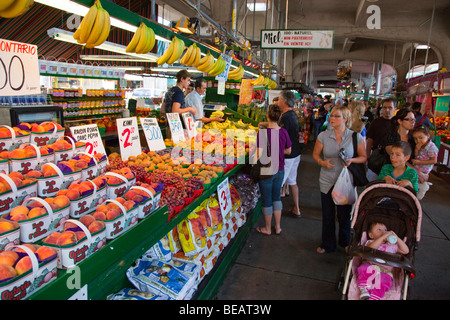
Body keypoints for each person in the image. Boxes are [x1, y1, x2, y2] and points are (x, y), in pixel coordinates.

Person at [312, 106, 367, 253]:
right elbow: (316, 154)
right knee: (328, 214)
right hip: (327, 180)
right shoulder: (323, 136)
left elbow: (363, 157)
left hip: (345, 181)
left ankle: (345, 242)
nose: (332, 118)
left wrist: (352, 160)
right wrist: (322, 162)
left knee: (344, 215)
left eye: (336, 116)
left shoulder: (355, 137)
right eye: (331, 116)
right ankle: (327, 244)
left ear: (345, 119)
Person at [255, 104, 292, 236]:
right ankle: (277, 227)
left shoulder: (263, 133)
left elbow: (258, 155)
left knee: (267, 200)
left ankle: (267, 228)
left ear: (267, 116)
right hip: (280, 170)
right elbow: (289, 150)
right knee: (276, 198)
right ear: (279, 116)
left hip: (266, 171)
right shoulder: (283, 132)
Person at [357, 222, 409, 300]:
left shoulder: (392, 246)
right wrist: (382, 237)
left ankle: (374, 297)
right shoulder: (370, 242)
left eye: (385, 230)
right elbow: (371, 249)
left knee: (383, 281)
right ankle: (364, 289)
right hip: (371, 267)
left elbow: (406, 251)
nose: (383, 232)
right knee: (363, 268)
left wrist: (397, 238)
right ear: (371, 235)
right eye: (379, 230)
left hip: (385, 271)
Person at [278, 90, 302, 217]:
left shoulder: (285, 117)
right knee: (293, 181)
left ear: (284, 101)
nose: (278, 101)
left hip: (287, 156)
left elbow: (280, 137)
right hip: (296, 153)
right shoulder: (292, 114)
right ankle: (296, 209)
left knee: (277, 185)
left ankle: (273, 221)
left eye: (279, 99)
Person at [366, 97, 396, 180]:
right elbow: (370, 140)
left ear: (395, 109)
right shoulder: (376, 122)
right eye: (385, 107)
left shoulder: (397, 123)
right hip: (377, 158)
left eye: (390, 107)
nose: (387, 110)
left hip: (392, 160)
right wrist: (367, 156)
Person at [411, 126, 438, 199]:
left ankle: (423, 188)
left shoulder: (431, 147)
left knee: (417, 179)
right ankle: (415, 192)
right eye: (415, 139)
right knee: (413, 179)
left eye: (421, 138)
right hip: (417, 165)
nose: (418, 141)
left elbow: (434, 160)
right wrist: (416, 149)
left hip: (424, 168)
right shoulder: (420, 145)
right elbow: (416, 155)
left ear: (428, 136)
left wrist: (419, 162)